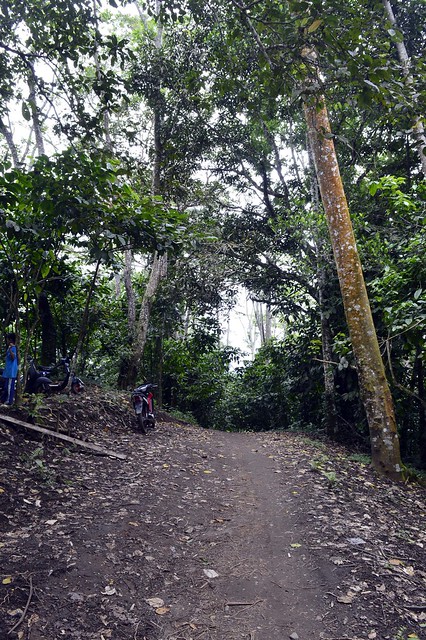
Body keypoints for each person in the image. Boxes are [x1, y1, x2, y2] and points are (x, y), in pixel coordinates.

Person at [1, 333, 18, 405]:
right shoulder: (9, 348)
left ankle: (9, 401)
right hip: (8, 371)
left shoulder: (13, 348)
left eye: (8, 339)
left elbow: (13, 357)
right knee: (6, 386)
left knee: (9, 387)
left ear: (10, 340)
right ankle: (4, 400)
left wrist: (10, 349)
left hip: (11, 371)